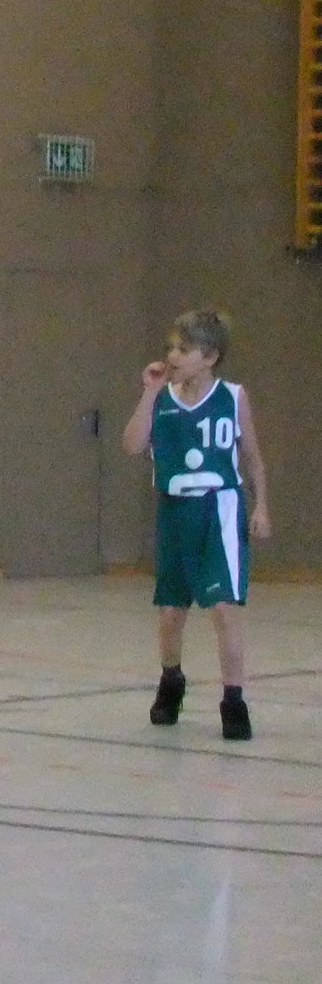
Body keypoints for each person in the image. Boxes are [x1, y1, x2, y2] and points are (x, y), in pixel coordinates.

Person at [120, 308, 271, 738]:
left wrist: (261, 506)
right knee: (171, 612)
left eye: (183, 349)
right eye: (171, 348)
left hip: (219, 508)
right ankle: (171, 681)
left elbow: (252, 458)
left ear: (209, 356)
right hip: (175, 510)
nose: (172, 355)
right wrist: (149, 393)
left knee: (225, 608)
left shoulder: (233, 397)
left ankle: (233, 699)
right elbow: (131, 445)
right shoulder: (161, 398)